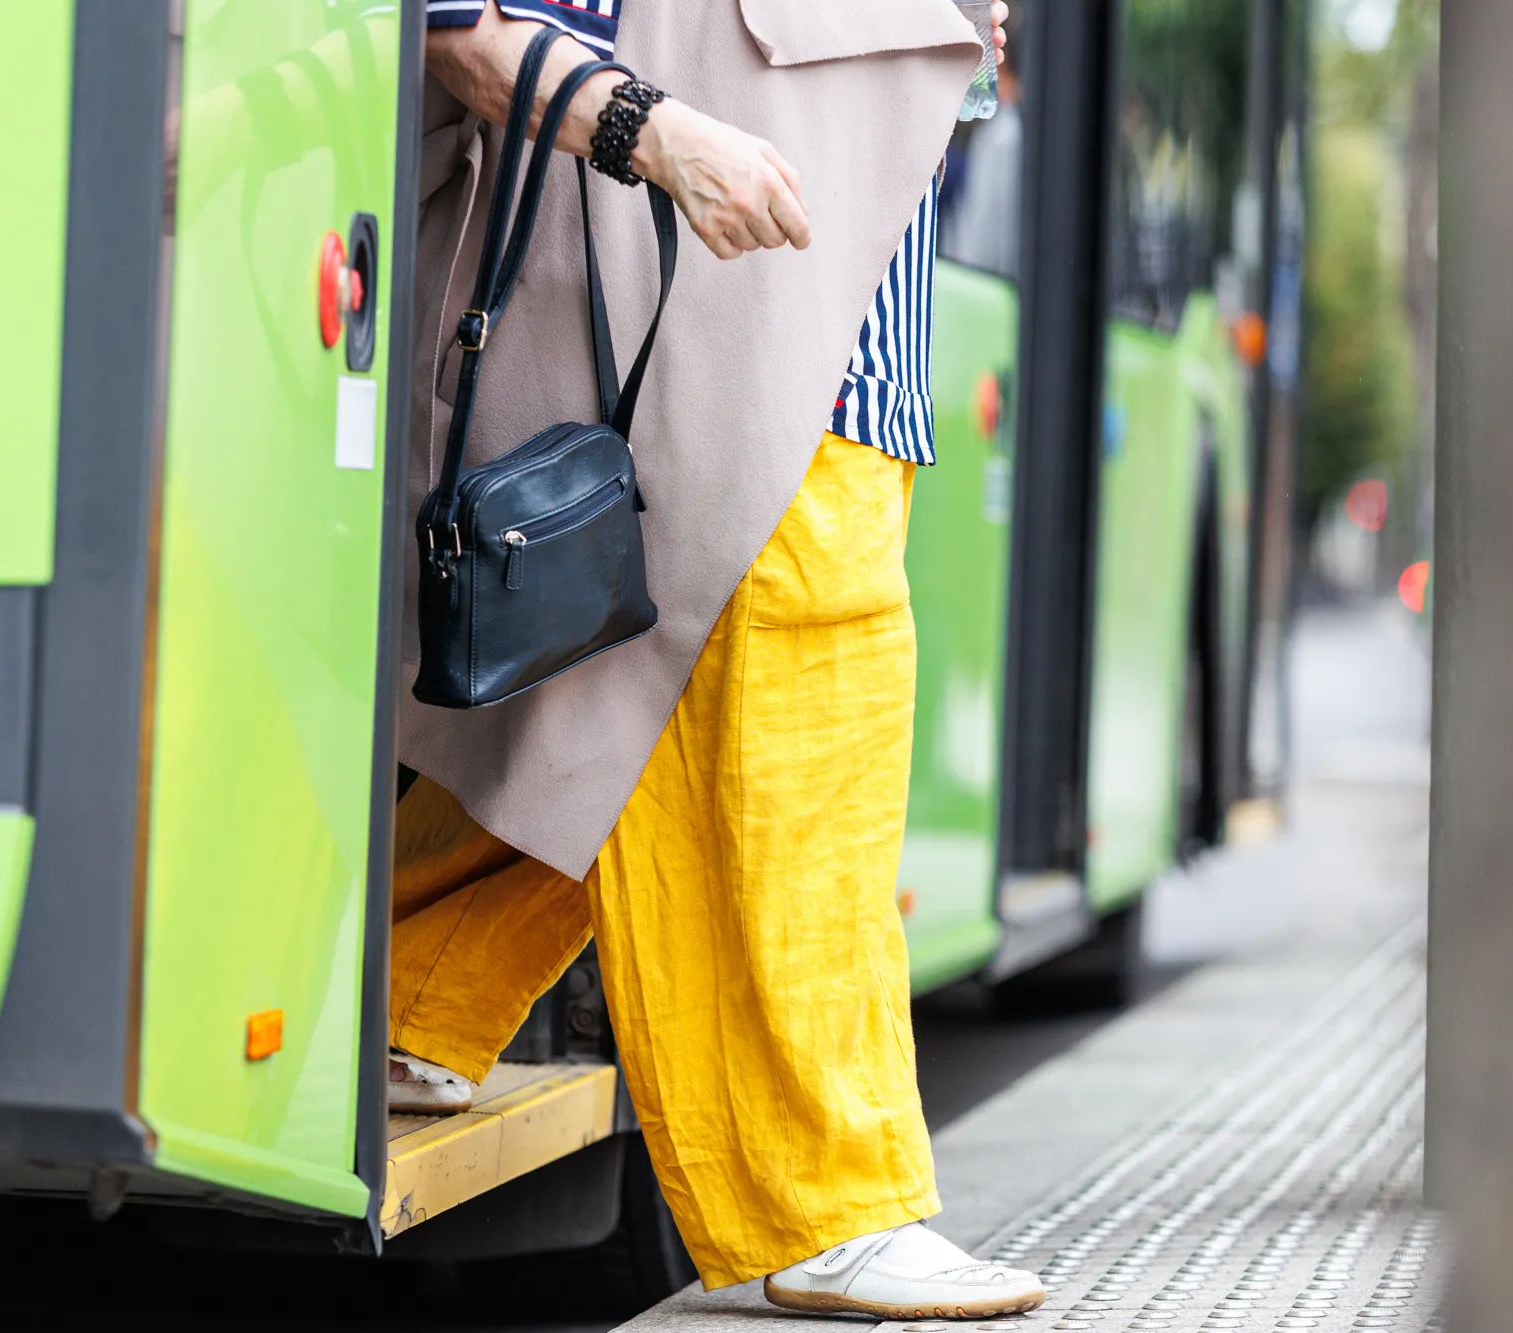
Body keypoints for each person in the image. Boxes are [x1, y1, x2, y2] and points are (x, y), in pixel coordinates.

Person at [391, 0, 1046, 1318]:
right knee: (795, 748)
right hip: (717, 288)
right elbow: (468, 23)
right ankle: (826, 1203)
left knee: (615, 700)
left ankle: (404, 1004)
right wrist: (660, 134)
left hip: (824, 301)